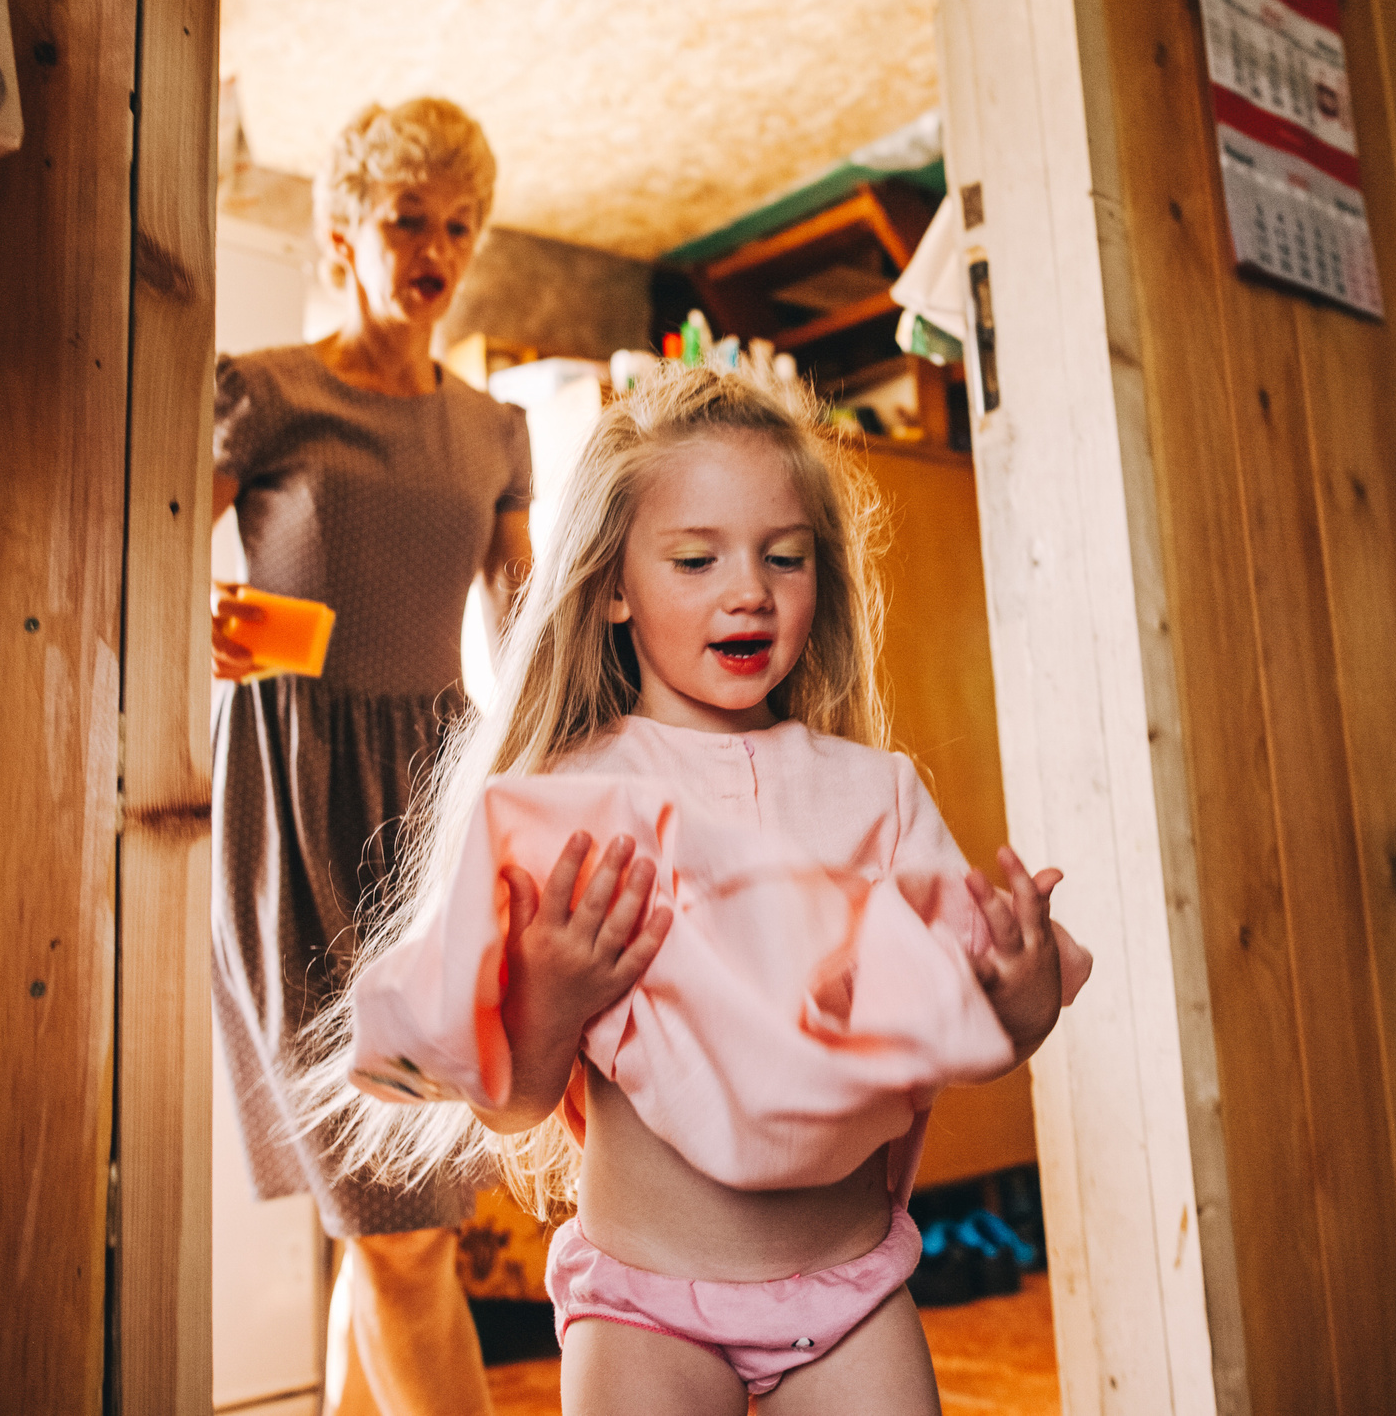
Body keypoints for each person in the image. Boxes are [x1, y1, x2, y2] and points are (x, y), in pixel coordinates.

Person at [314, 363, 1090, 1414]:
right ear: (614, 586)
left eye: (784, 557)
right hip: (645, 1315)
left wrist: (1021, 997)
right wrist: (551, 995)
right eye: (696, 558)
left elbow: (979, 1042)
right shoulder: (562, 807)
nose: (749, 590)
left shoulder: (877, 795)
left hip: (851, 1300)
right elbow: (514, 1103)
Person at [210, 97, 528, 1416]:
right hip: (293, 809)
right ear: (344, 233)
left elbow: (526, 633)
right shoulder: (262, 390)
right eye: (408, 219)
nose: (435, 249)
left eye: (458, 225)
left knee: (398, 1214)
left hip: (431, 831)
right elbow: (144, 552)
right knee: (395, 1222)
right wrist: (213, 628)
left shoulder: (495, 430)